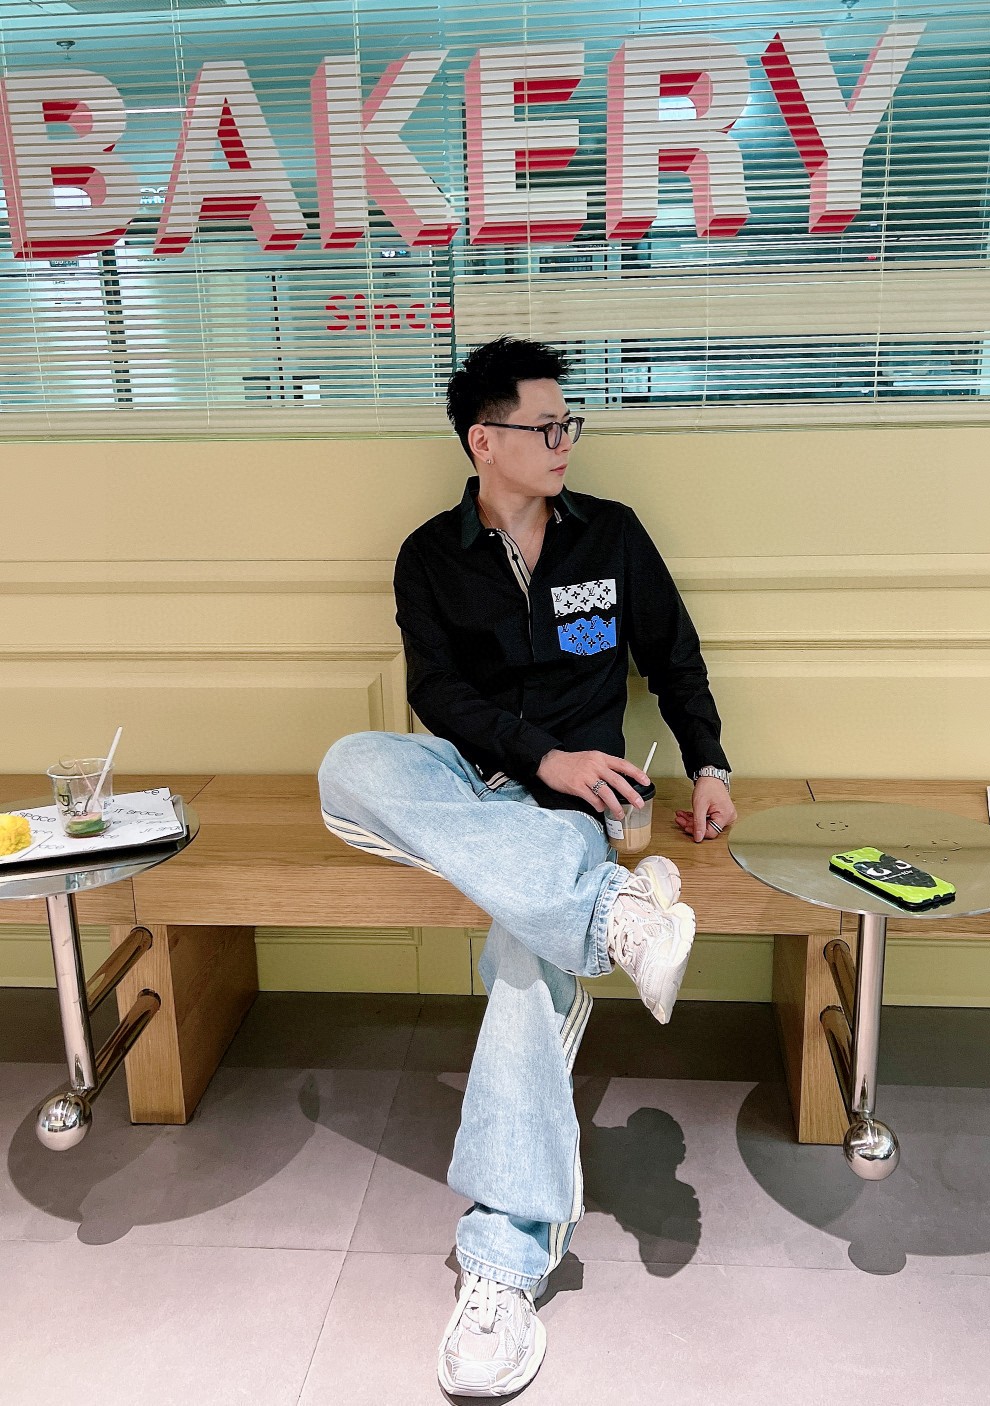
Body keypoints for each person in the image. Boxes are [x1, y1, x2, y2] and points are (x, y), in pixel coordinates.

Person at [317, 336, 736, 1397]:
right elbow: (437, 695)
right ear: (483, 440)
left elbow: (673, 657)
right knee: (349, 765)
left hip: (571, 812)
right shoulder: (429, 554)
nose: (564, 441)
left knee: (519, 962)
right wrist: (534, 753)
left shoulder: (612, 534)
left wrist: (709, 764)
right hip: (471, 782)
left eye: (567, 423)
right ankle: (613, 916)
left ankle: (503, 1259)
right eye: (545, 426)